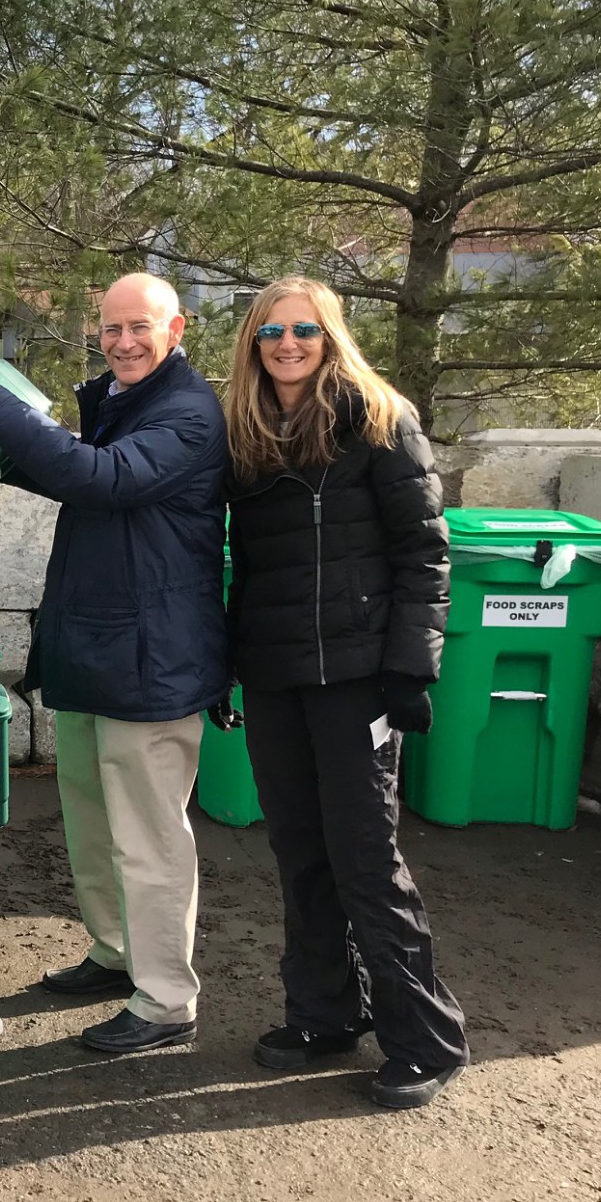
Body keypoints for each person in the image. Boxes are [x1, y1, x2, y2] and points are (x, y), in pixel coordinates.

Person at [0, 272, 226, 1054]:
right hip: (100, 648)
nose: (124, 341)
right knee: (95, 823)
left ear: (178, 330)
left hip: (153, 660)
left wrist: (1, 409)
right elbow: (67, 467)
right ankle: (117, 952)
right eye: (111, 328)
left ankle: (168, 999)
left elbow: (102, 480)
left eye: (141, 327)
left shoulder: (188, 413)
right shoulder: (120, 401)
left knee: (149, 836)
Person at [221, 276, 468, 1109]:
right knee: (301, 853)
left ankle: (425, 1038)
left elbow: (425, 554)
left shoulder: (382, 420)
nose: (287, 344)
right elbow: (246, 569)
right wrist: (231, 663)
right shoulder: (250, 434)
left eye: (304, 329)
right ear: (252, 344)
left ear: (330, 335)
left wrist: (410, 669)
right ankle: (325, 1013)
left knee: (366, 859)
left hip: (359, 677)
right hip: (279, 676)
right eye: (271, 333)